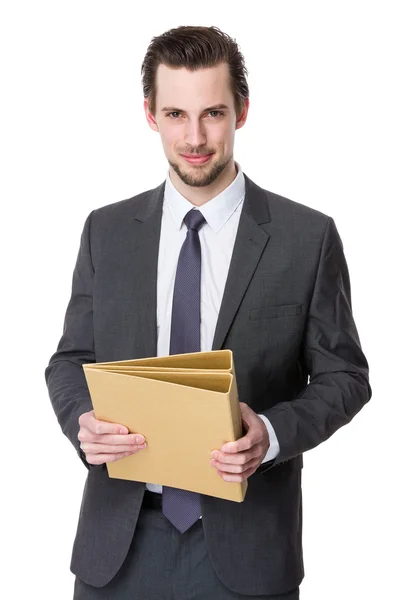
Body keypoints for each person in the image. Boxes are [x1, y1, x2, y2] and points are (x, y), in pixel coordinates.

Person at [45, 25, 371, 600]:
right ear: (150, 114)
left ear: (242, 111)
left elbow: (346, 377)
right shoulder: (107, 232)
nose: (194, 137)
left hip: (247, 549)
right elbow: (70, 360)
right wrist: (83, 421)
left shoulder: (307, 237)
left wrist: (269, 434)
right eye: (175, 114)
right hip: (118, 546)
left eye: (213, 114)